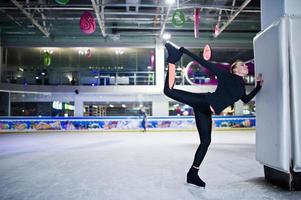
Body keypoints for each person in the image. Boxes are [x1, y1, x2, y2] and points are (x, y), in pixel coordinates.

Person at [163, 41, 263, 188]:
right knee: (169, 91)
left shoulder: (241, 88)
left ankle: (193, 174)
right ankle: (172, 58)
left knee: (206, 142)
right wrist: (184, 51)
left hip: (206, 111)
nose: (245, 66)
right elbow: (204, 63)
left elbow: (246, 99)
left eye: (245, 65)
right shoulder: (225, 75)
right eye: (242, 64)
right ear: (234, 69)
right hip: (203, 101)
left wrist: (258, 86)